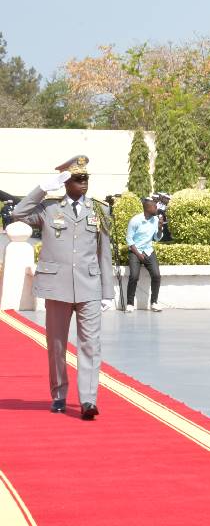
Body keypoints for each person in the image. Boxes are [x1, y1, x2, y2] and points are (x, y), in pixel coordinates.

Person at [12, 155, 113, 420]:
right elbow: (18, 212)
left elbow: (105, 253)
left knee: (91, 344)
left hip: (89, 286)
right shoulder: (49, 209)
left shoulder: (99, 210)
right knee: (57, 344)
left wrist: (107, 291)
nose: (84, 184)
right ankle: (59, 394)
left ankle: (88, 400)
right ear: (66, 182)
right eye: (78, 179)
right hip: (57, 286)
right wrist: (44, 187)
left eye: (86, 179)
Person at [125, 197, 165, 312]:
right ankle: (130, 304)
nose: (156, 208)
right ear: (147, 208)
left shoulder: (156, 220)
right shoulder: (135, 220)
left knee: (156, 275)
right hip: (135, 250)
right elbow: (129, 239)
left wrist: (160, 228)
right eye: (154, 206)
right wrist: (138, 254)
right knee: (134, 276)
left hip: (148, 250)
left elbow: (156, 238)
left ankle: (154, 303)